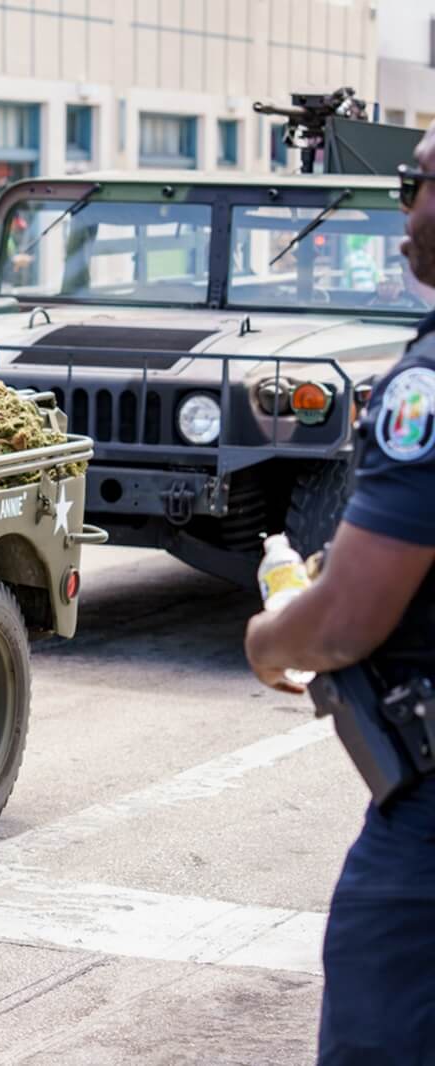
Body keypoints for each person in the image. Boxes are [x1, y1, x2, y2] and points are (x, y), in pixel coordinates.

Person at [243, 123, 435, 1063]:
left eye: (415, 182)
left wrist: (271, 639)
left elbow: (352, 616)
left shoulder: (428, 386)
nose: (404, 207)